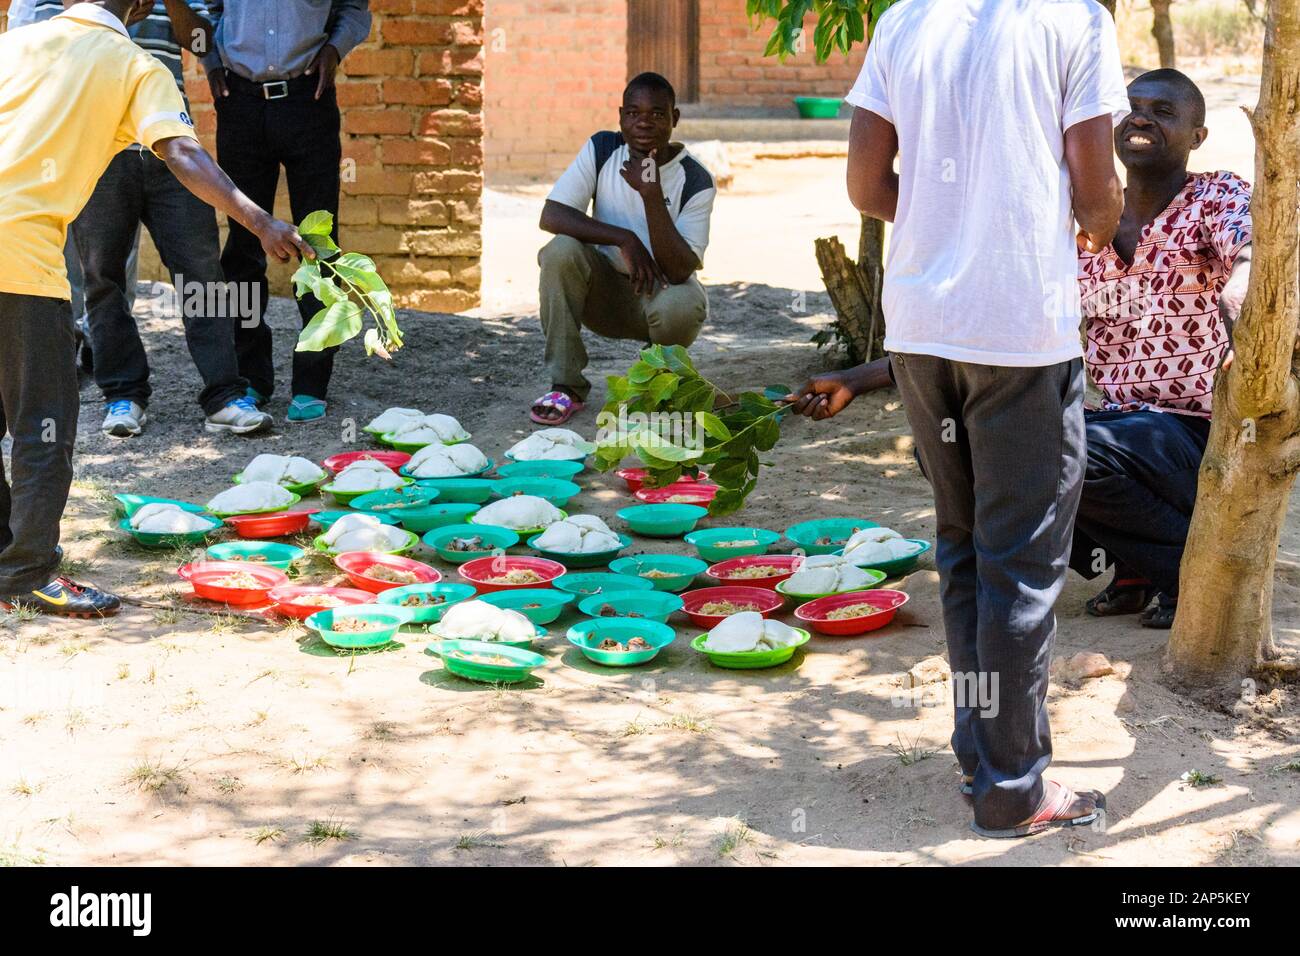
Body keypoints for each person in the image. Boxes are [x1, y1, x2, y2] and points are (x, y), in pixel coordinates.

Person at [789, 0, 1129, 838]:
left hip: (919, 333)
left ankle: (981, 754)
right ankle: (1013, 787)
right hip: (1016, 331)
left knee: (967, 548)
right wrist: (1082, 224)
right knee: (1019, 562)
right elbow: (1096, 195)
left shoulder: (906, 19)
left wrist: (954, 225)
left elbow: (867, 185)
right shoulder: (1073, 19)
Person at [792, 71, 1251, 634]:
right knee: (956, 443)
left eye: (1163, 110)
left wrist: (1240, 301)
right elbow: (999, 322)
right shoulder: (1081, 217)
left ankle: (1182, 570)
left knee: (1058, 448)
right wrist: (859, 379)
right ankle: (1129, 566)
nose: (1141, 118)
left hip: (1194, 432)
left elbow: (1248, 256)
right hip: (1119, 427)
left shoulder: (1215, 195)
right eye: (1130, 106)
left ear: (1197, 136)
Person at [0, 1, 312, 618]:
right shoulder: (134, 63)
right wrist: (259, 219)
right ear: (141, 4)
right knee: (43, 421)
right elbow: (182, 152)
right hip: (20, 255)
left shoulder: (16, 45)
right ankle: (26, 575)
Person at [71, 0, 273, 438]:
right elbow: (69, 22)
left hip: (171, 143)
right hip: (98, 148)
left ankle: (225, 396)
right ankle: (123, 394)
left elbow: (199, 40)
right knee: (101, 277)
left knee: (203, 273)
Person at [198, 0, 372, 423]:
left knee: (318, 245)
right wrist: (211, 59)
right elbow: (204, 8)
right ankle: (250, 375)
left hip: (308, 100)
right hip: (239, 101)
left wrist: (334, 49)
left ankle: (312, 382)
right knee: (242, 248)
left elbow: (353, 8)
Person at [534, 72, 716, 426]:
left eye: (657, 114)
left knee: (685, 303)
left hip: (658, 296)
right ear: (621, 117)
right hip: (601, 295)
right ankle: (566, 385)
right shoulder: (603, 149)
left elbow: (680, 270)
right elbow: (552, 214)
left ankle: (653, 379)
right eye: (633, 113)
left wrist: (651, 195)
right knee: (559, 251)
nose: (643, 123)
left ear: (674, 119)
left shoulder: (695, 178)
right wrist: (624, 239)